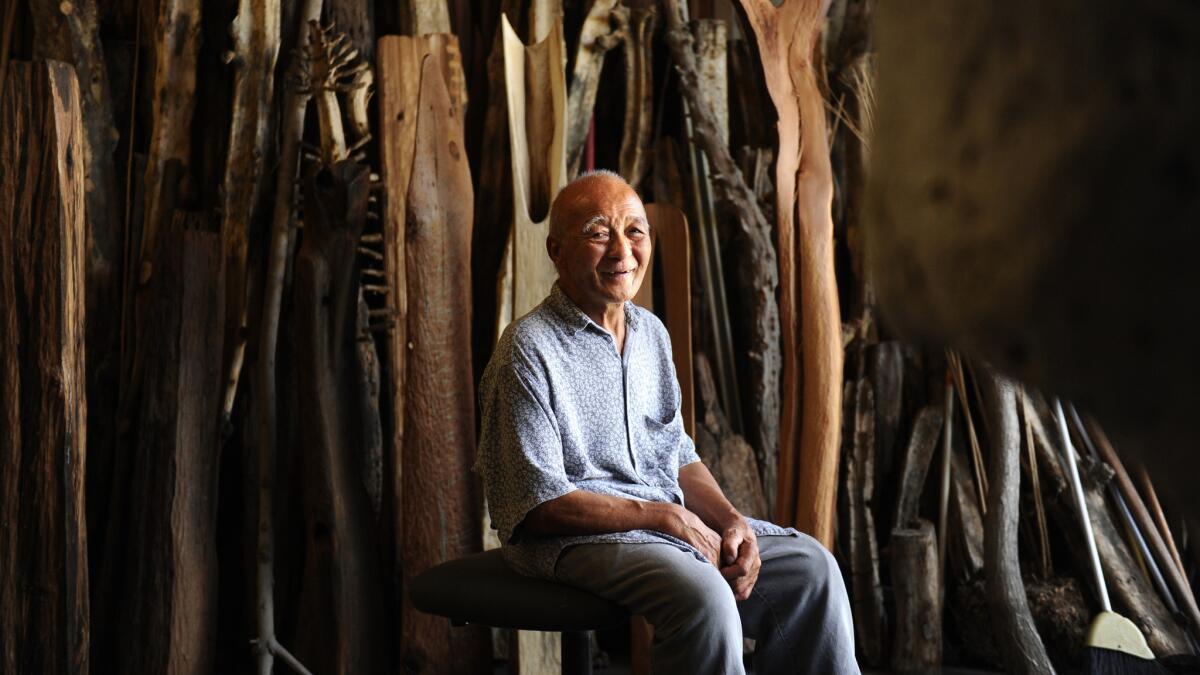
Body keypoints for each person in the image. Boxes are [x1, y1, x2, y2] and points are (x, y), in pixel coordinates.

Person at [476, 170, 859, 674]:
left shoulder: (650, 334)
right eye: (597, 232)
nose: (621, 250)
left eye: (634, 231)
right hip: (570, 543)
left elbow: (675, 452)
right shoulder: (528, 349)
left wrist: (728, 520)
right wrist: (665, 518)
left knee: (813, 570)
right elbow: (538, 505)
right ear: (556, 250)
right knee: (704, 596)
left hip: (663, 529)